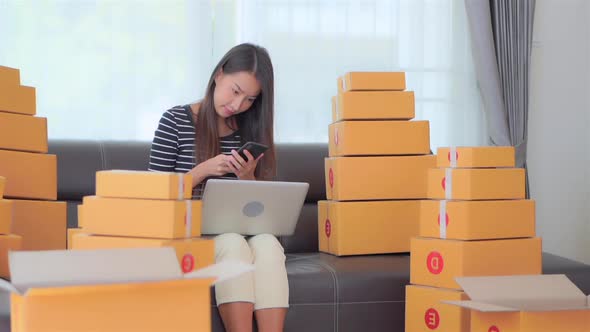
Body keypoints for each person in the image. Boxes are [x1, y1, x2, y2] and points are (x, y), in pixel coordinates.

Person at [149, 43, 288, 332]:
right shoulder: (174, 121)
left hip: (237, 230)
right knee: (232, 244)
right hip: (190, 234)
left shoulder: (249, 131)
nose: (237, 105)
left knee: (269, 245)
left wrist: (248, 178)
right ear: (219, 74)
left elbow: (261, 214)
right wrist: (202, 171)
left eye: (249, 99)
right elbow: (151, 198)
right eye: (235, 91)